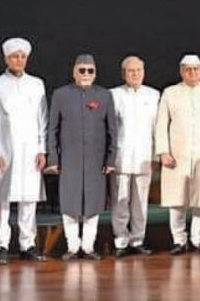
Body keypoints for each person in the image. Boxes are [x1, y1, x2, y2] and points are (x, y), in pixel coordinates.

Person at [46, 54, 117, 260]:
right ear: (74, 72)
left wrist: (110, 160)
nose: (86, 74)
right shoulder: (61, 95)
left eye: (90, 71)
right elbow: (52, 130)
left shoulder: (104, 95)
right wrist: (54, 160)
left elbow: (112, 129)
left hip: (96, 161)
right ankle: (72, 246)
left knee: (93, 204)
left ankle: (87, 246)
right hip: (70, 160)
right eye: (82, 70)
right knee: (70, 204)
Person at [155, 54, 200, 255]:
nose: (192, 73)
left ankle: (197, 240)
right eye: (188, 69)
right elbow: (161, 124)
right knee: (176, 200)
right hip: (176, 156)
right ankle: (179, 240)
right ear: (181, 71)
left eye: (195, 69)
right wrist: (163, 152)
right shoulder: (170, 93)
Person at [0, 38, 47, 264]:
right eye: (14, 56)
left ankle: (27, 244)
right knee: (3, 199)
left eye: (22, 56)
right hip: (5, 150)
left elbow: (43, 119)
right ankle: (1, 245)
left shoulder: (37, 84)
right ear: (6, 58)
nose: (19, 60)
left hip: (30, 149)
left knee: (29, 198)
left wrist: (42, 149)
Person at [109, 56, 160, 257]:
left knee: (140, 202)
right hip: (120, 157)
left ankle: (137, 240)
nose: (135, 74)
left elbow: (158, 128)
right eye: (131, 71)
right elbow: (109, 129)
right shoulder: (113, 95)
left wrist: (157, 154)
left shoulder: (154, 95)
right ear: (124, 74)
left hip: (145, 156)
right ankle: (120, 241)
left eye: (139, 70)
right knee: (120, 200)